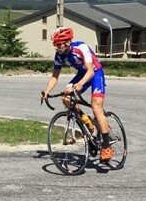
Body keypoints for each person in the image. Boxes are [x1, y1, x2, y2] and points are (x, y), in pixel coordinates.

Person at [41, 27, 114, 162]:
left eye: (58, 44)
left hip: (95, 73)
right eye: (55, 44)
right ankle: (88, 124)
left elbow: (90, 71)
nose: (56, 47)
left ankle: (106, 146)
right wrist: (46, 91)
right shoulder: (59, 55)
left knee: (96, 108)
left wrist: (80, 84)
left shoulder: (81, 47)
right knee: (66, 98)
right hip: (82, 74)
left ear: (67, 42)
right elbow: (54, 76)